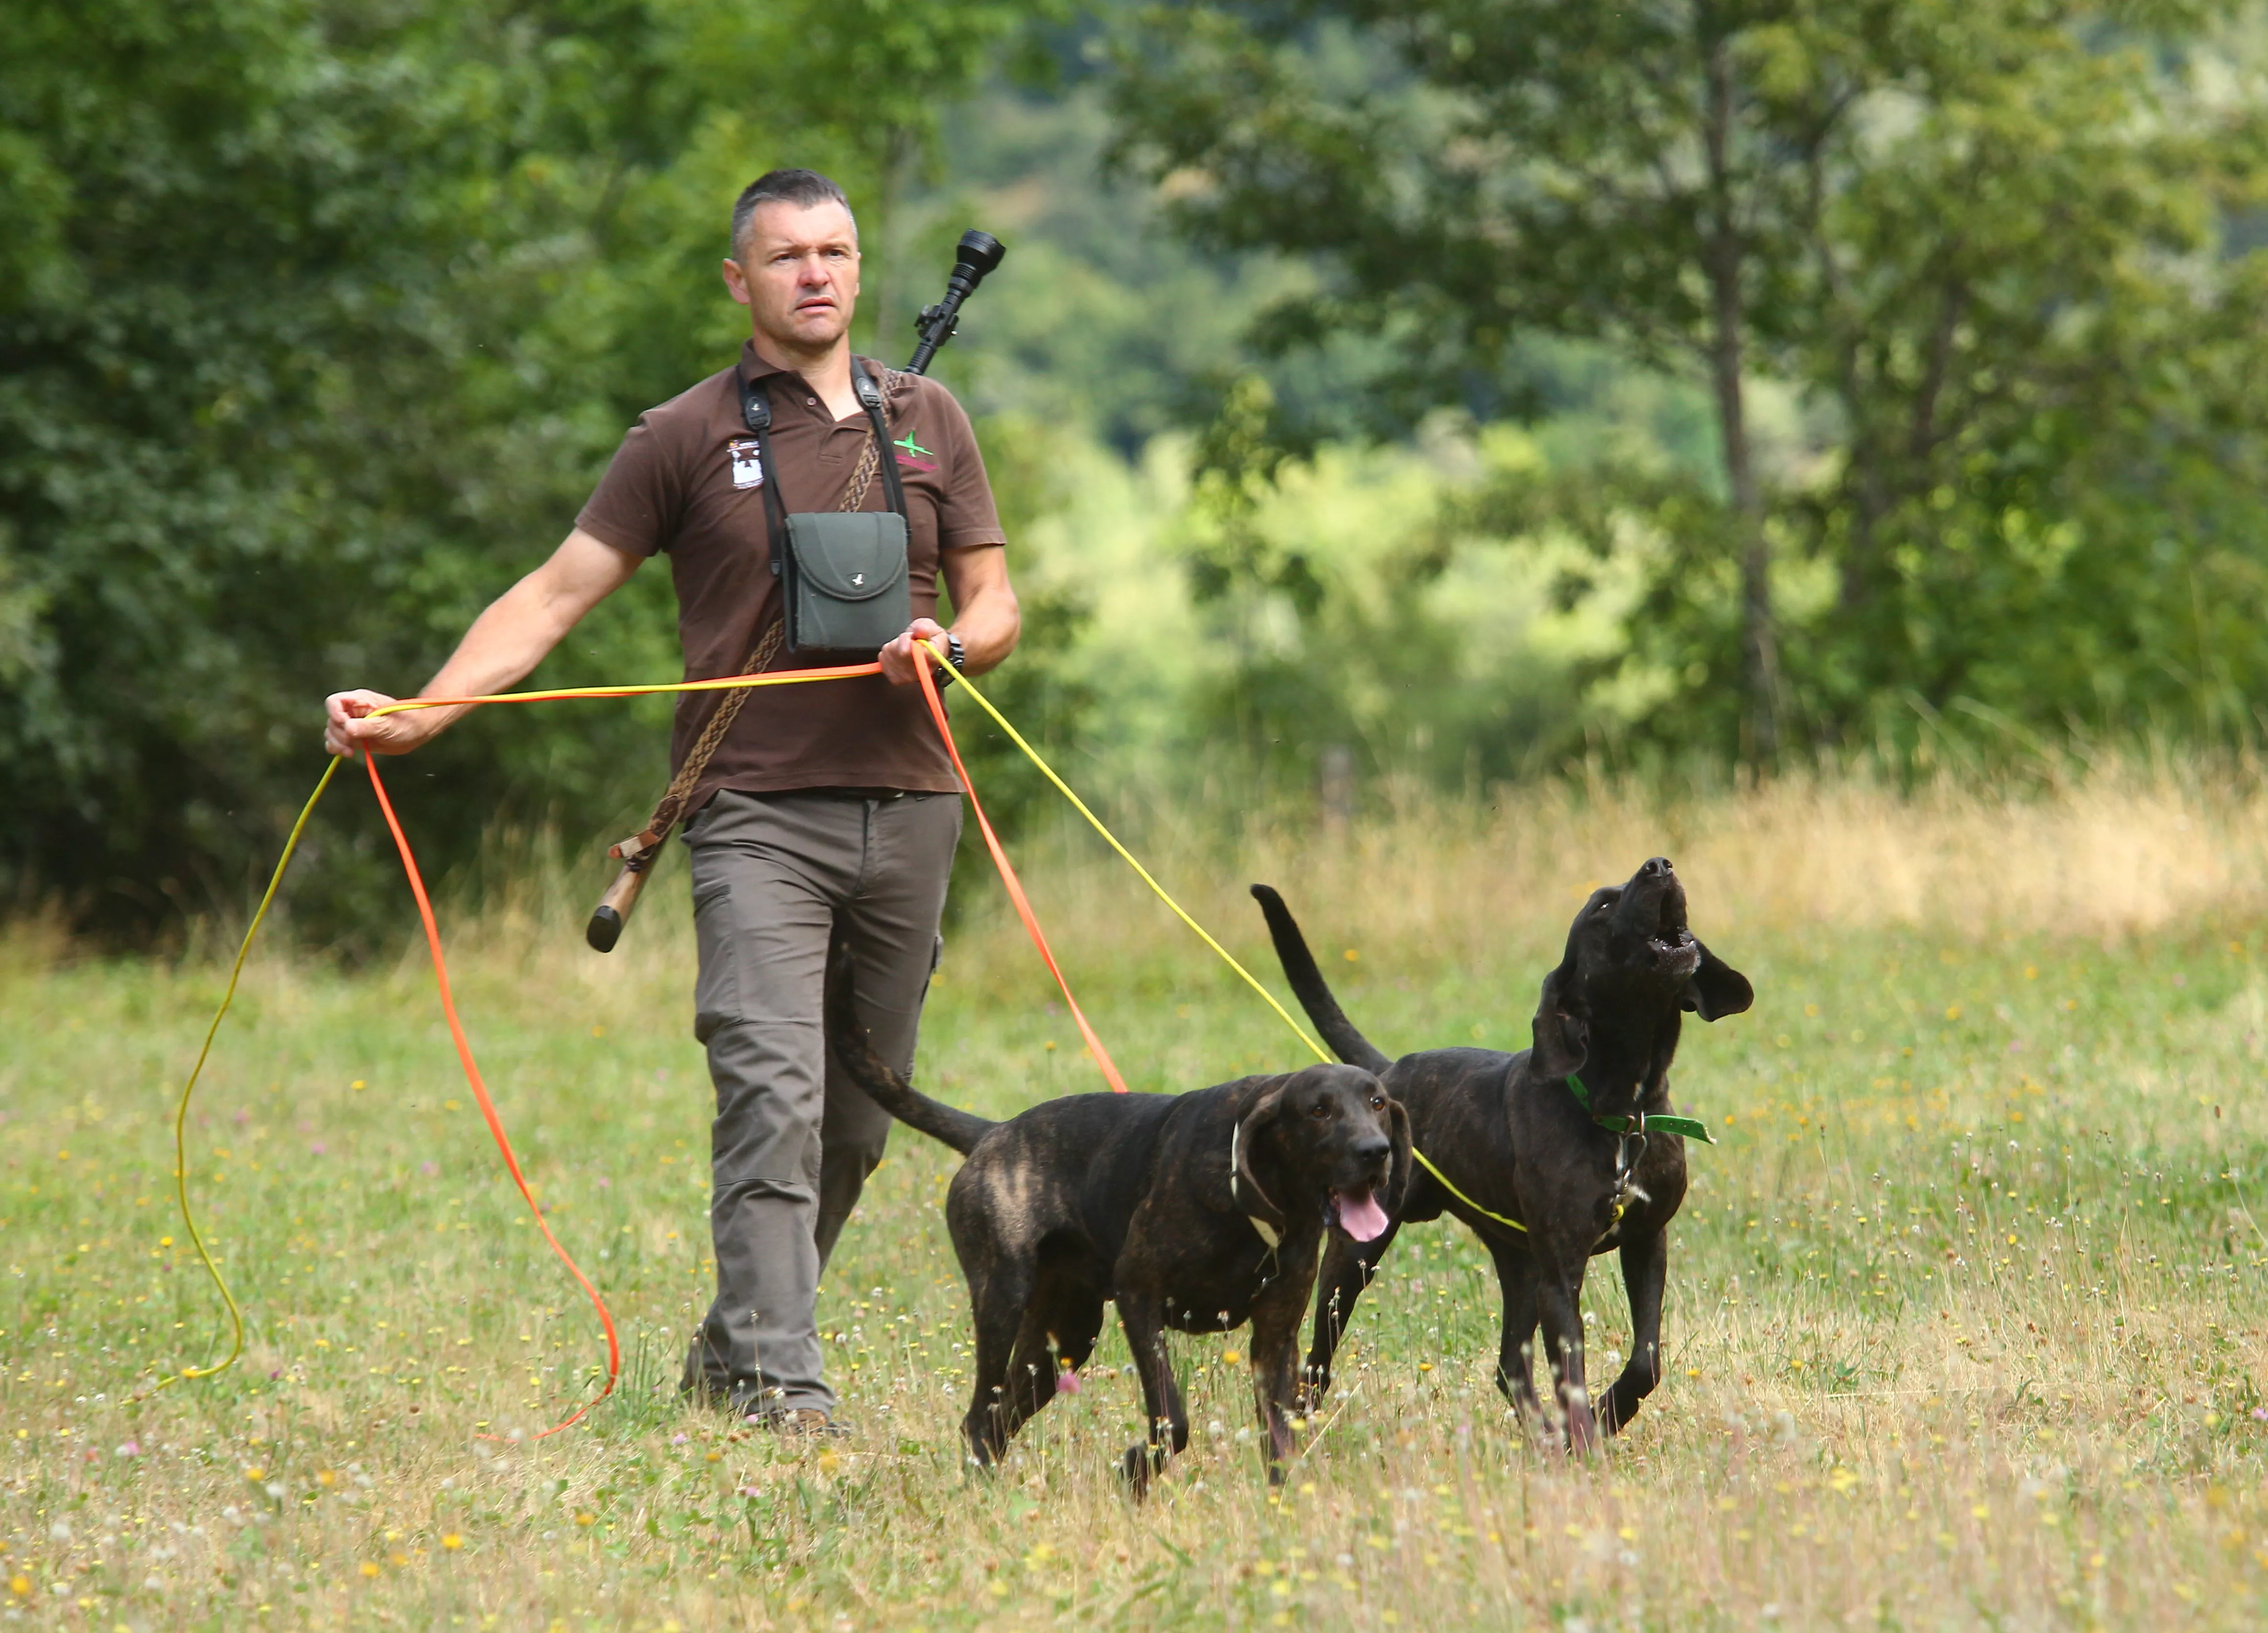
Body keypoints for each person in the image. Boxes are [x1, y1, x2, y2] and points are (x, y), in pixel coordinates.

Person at [324, 168, 1021, 1434]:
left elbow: (996, 599)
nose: (815, 273)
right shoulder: (685, 435)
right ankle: (780, 1389)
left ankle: (732, 1345)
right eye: (786, 255)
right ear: (738, 281)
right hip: (755, 812)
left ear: (859, 269)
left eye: (835, 250)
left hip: (915, 805)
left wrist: (953, 648)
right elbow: (549, 594)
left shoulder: (927, 418)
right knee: (772, 1089)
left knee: (859, 1122)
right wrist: (424, 711)